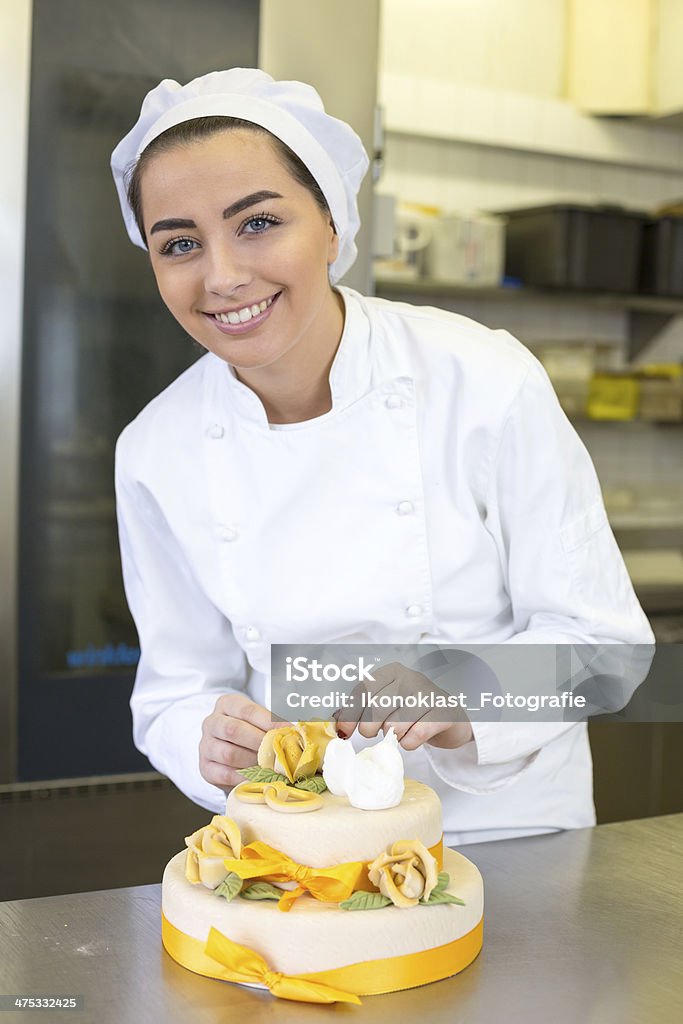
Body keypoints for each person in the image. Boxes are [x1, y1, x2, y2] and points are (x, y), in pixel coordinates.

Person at [111, 68, 654, 846]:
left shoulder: (481, 378)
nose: (223, 274)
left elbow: (605, 651)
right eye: (180, 243)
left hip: (506, 841)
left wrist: (459, 698)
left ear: (331, 225)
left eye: (258, 223)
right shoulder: (155, 450)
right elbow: (174, 695)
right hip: (302, 846)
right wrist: (206, 740)